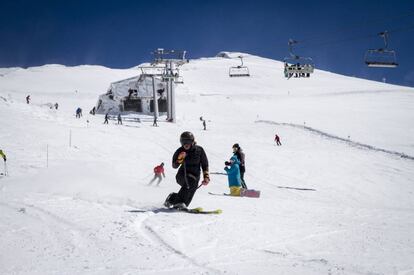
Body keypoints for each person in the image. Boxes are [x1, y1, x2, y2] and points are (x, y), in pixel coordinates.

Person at [164, 131, 210, 209]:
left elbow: (204, 164)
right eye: (183, 142)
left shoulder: (199, 150)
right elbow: (174, 166)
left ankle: (172, 199)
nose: (186, 144)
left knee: (187, 198)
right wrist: (179, 159)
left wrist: (206, 177)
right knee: (189, 183)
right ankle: (178, 203)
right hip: (182, 175)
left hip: (195, 177)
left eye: (188, 141)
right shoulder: (180, 151)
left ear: (192, 141)